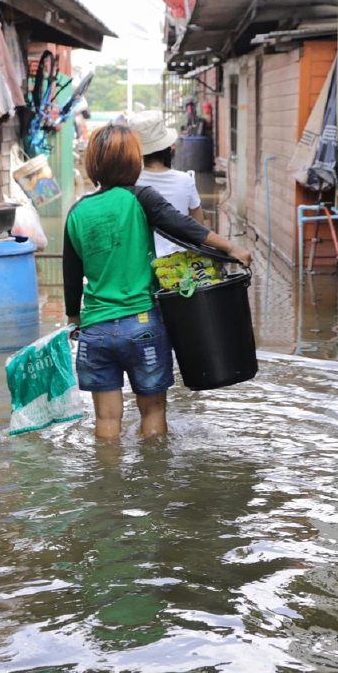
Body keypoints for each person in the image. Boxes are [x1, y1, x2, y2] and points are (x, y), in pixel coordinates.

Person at [63, 124, 253, 440]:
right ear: (134, 161)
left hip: (94, 331)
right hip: (142, 327)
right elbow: (186, 228)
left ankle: (107, 485)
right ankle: (154, 480)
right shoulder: (140, 197)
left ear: (93, 164)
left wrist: (74, 317)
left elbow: (71, 274)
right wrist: (232, 248)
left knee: (106, 422)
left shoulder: (77, 211)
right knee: (153, 413)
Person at [131, 111, 204, 259]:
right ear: (168, 147)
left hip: (143, 262)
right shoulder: (186, 180)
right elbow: (198, 228)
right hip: (179, 265)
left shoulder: (130, 183)